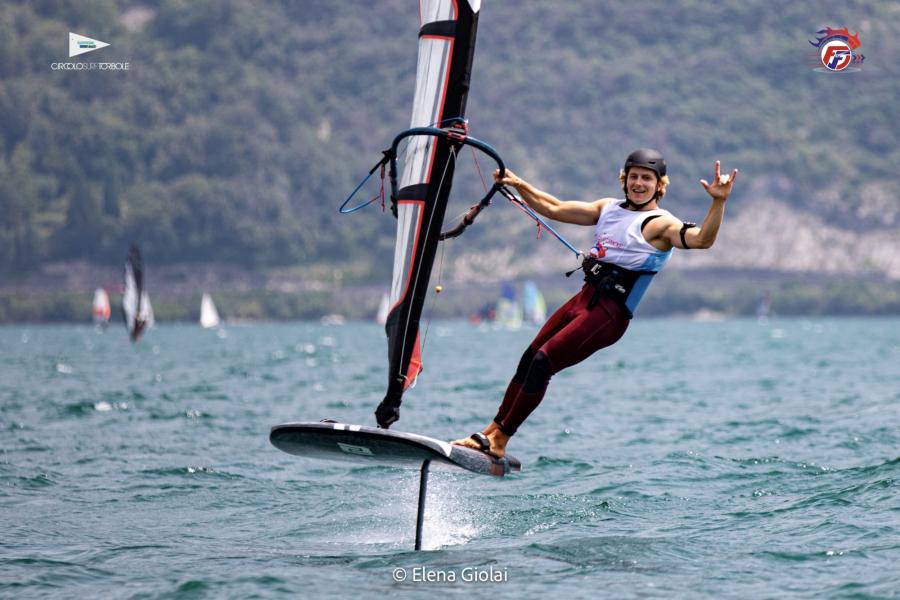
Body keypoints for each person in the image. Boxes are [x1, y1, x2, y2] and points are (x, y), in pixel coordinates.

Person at [452, 149, 738, 458]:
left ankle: (501, 440)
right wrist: (520, 183)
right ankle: (492, 431)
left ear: (660, 185)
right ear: (624, 179)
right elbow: (554, 207)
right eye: (633, 177)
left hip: (609, 314)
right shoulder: (607, 208)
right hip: (584, 300)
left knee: (542, 363)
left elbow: (701, 240)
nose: (638, 184)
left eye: (647, 178)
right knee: (529, 358)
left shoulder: (660, 224)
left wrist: (718, 201)